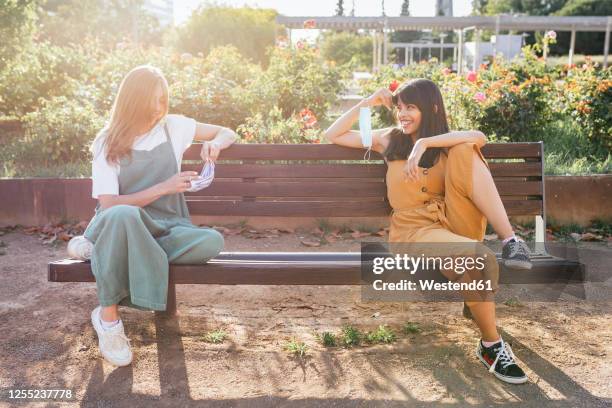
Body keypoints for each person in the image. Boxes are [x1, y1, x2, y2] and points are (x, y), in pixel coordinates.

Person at [324, 78, 531, 384]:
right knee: (476, 261)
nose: (403, 114)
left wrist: (426, 142)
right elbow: (332, 134)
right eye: (400, 107)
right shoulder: (389, 139)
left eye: (411, 108)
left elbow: (480, 136)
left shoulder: (446, 143)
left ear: (431, 108)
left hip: (452, 222)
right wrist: (367, 102)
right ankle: (491, 345)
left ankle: (511, 240)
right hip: (413, 232)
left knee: (465, 149)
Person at [67, 65, 237, 367]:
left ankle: (103, 249)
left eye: (164, 100)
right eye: (154, 100)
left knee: (211, 241)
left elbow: (227, 131)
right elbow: (109, 205)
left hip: (166, 226)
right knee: (125, 216)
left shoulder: (173, 126)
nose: (160, 108)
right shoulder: (107, 141)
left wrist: (215, 144)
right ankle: (108, 320)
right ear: (134, 100)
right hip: (121, 219)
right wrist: (165, 187)